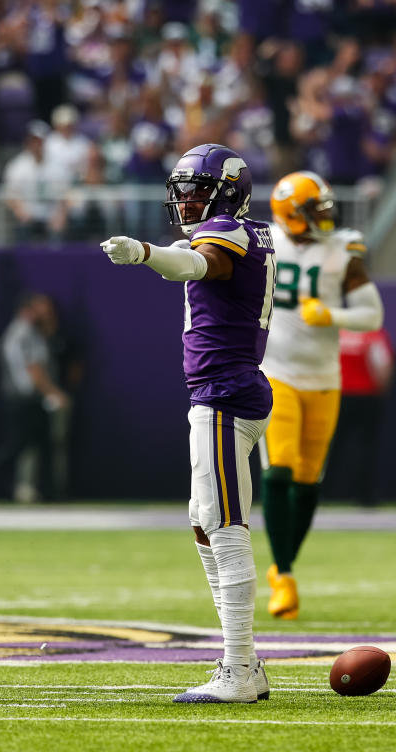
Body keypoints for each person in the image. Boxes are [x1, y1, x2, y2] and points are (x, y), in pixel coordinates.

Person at [100, 143, 275, 704]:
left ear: (226, 191)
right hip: (218, 391)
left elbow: (198, 264)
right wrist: (159, 252)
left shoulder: (232, 235)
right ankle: (243, 658)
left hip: (225, 392)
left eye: (196, 189)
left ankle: (239, 667)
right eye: (180, 190)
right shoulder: (237, 231)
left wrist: (144, 252)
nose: (184, 200)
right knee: (205, 522)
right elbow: (189, 255)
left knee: (224, 525)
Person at [259, 170, 384, 620]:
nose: (326, 216)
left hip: (325, 377)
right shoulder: (264, 241)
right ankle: (287, 575)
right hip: (276, 373)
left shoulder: (342, 250)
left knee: (310, 479)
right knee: (281, 468)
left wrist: (331, 314)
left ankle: (280, 564)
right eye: (316, 210)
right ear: (290, 214)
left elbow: (372, 314)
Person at [0, 294, 69, 502]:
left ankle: (50, 492)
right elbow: (34, 369)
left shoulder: (18, 331)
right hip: (24, 401)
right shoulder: (26, 333)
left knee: (40, 445)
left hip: (20, 399)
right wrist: (52, 393)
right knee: (16, 447)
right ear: (27, 309)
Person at [329, 327, 395, 507]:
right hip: (367, 397)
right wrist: (383, 392)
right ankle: (365, 495)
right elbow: (383, 366)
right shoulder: (373, 335)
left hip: (338, 396)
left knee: (332, 446)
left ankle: (324, 493)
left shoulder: (337, 334)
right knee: (366, 447)